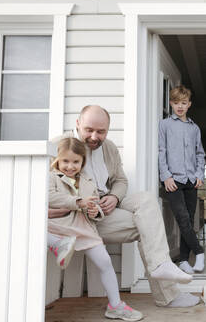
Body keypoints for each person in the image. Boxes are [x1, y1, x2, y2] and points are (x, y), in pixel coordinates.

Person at [50, 105, 200, 309]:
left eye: (101, 131)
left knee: (146, 201)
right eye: (89, 130)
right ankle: (168, 295)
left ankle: (161, 266)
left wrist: (114, 196)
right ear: (78, 124)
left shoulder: (109, 148)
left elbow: (120, 180)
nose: (94, 136)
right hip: (82, 216)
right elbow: (45, 190)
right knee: (146, 226)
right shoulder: (58, 145)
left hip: (107, 205)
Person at [47, 137, 143, 321]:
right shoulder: (52, 177)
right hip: (59, 225)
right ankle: (59, 245)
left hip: (83, 226)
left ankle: (115, 305)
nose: (70, 166)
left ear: (82, 162)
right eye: (65, 161)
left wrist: (94, 211)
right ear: (58, 160)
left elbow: (95, 204)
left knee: (105, 262)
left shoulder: (87, 181)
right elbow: (51, 197)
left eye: (76, 162)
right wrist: (77, 202)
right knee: (35, 229)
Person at [158, 85, 206, 274]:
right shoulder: (165, 125)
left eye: (183, 103)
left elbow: (200, 153)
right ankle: (199, 251)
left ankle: (184, 260)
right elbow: (161, 151)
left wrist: (199, 175)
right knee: (183, 218)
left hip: (191, 180)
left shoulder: (195, 128)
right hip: (173, 180)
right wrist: (166, 176)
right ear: (171, 103)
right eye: (176, 103)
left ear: (189, 105)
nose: (179, 106)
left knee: (188, 220)